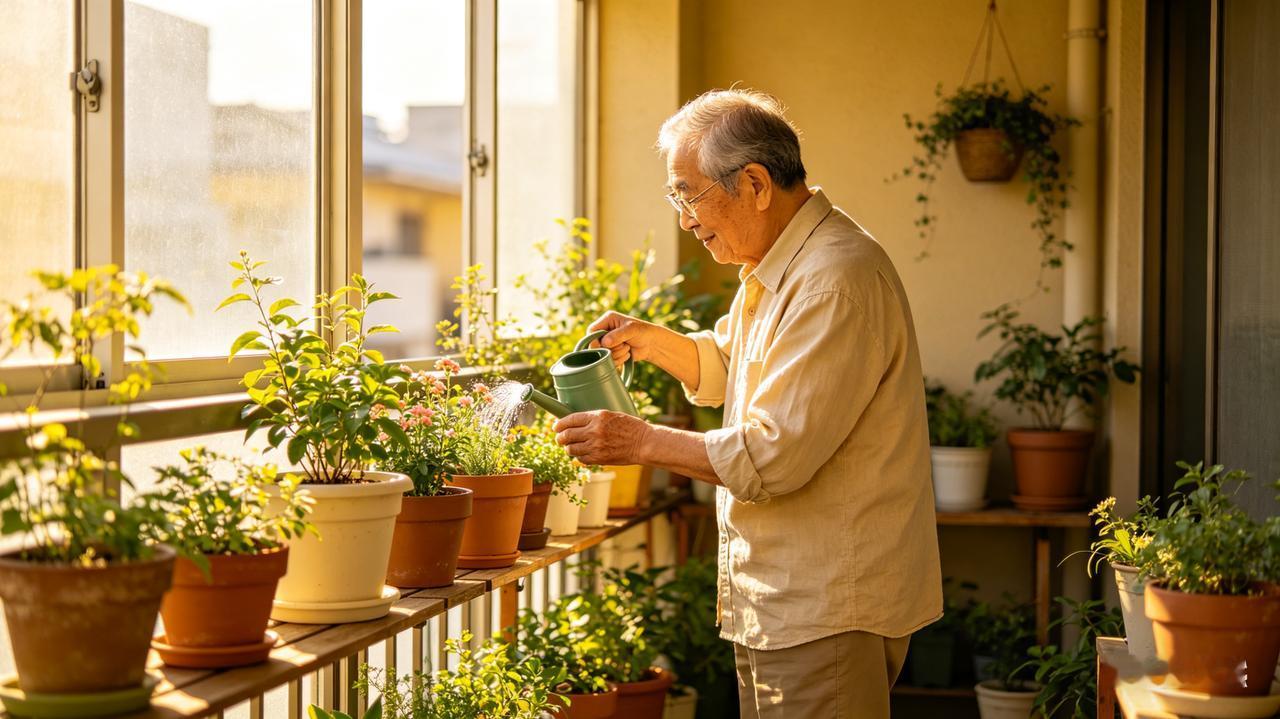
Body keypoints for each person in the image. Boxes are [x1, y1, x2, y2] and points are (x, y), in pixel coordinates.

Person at [553, 88, 942, 718]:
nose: (684, 218)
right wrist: (653, 344)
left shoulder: (832, 281)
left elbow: (774, 452)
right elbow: (737, 369)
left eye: (689, 193)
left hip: (825, 607)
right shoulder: (784, 265)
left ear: (755, 184)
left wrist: (638, 441)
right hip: (791, 600)